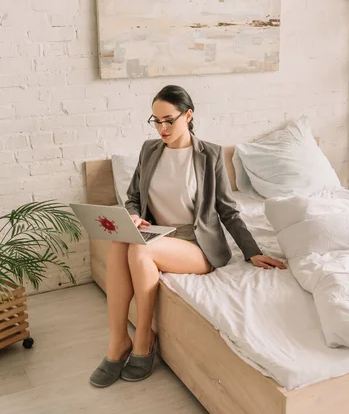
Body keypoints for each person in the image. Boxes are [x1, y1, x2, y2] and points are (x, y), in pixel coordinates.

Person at [90, 85, 285, 388]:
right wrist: (133, 215)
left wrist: (251, 250)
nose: (162, 128)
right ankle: (118, 342)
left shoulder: (211, 154)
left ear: (189, 115)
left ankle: (143, 337)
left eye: (168, 120)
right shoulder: (149, 150)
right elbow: (132, 197)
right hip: (156, 233)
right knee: (121, 241)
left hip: (195, 244)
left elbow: (227, 210)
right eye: (156, 121)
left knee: (140, 250)